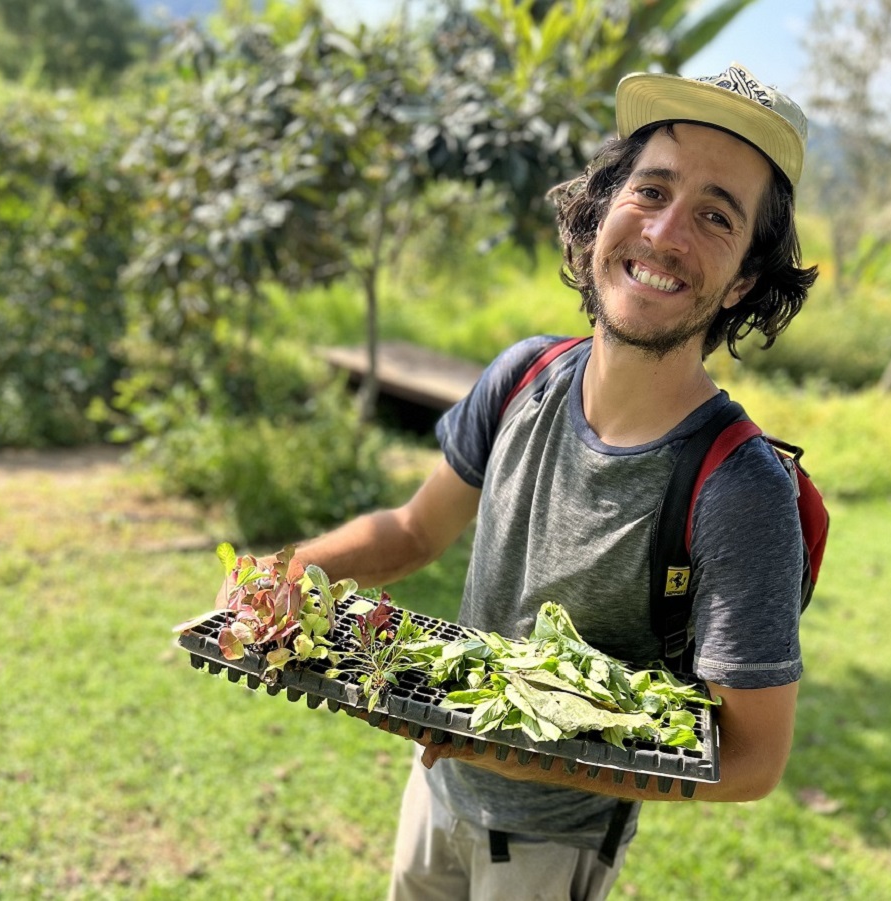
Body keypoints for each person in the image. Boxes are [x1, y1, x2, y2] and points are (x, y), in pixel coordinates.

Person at [274, 62, 819, 900]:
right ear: (602, 210)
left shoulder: (737, 490)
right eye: (651, 190)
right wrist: (292, 568)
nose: (666, 232)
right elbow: (416, 532)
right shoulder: (526, 375)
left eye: (716, 216)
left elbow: (751, 759)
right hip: (437, 784)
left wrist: (483, 740)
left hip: (549, 849)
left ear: (744, 278)